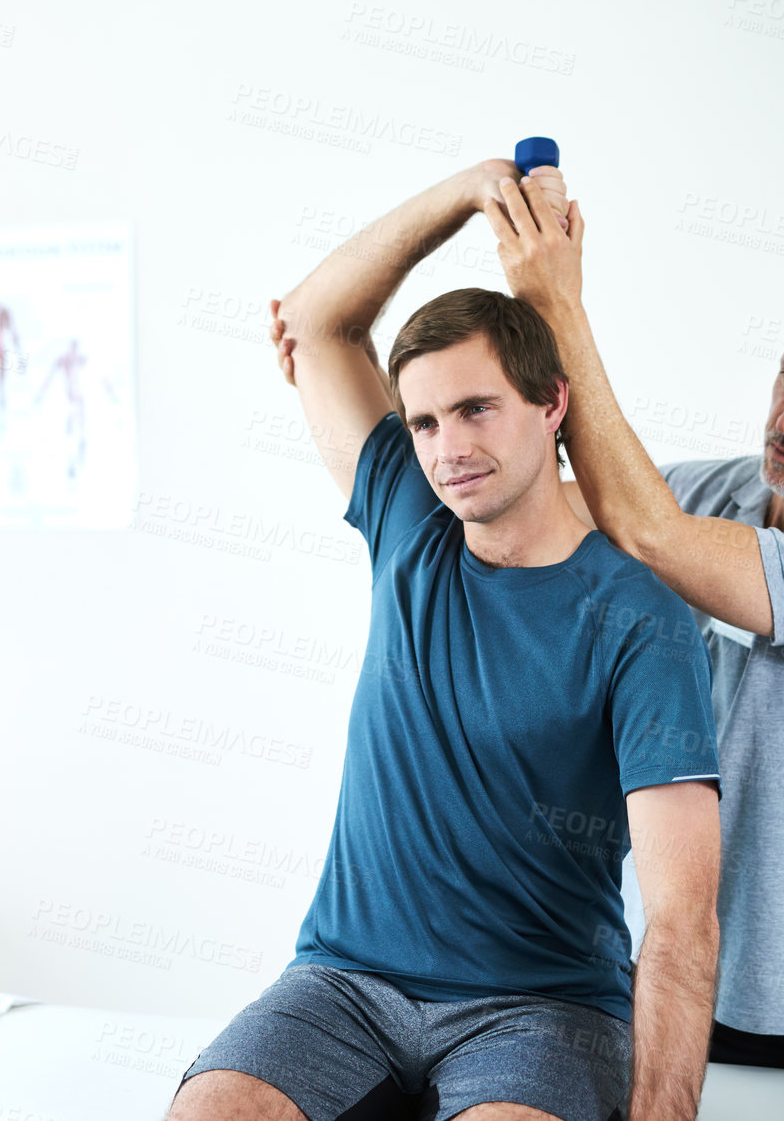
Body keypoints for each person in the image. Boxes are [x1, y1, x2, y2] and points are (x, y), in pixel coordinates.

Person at [169, 162, 723, 1121]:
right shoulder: (406, 518)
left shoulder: (644, 617)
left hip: (539, 1005)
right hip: (345, 981)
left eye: (475, 409)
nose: (446, 447)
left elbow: (679, 918)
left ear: (552, 405)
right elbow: (312, 322)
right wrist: (470, 192)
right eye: (422, 420)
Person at [464, 169, 784, 1078]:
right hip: (663, 971)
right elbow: (565, 504)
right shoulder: (728, 491)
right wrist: (450, 433)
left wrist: (560, 303)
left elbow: (645, 529)